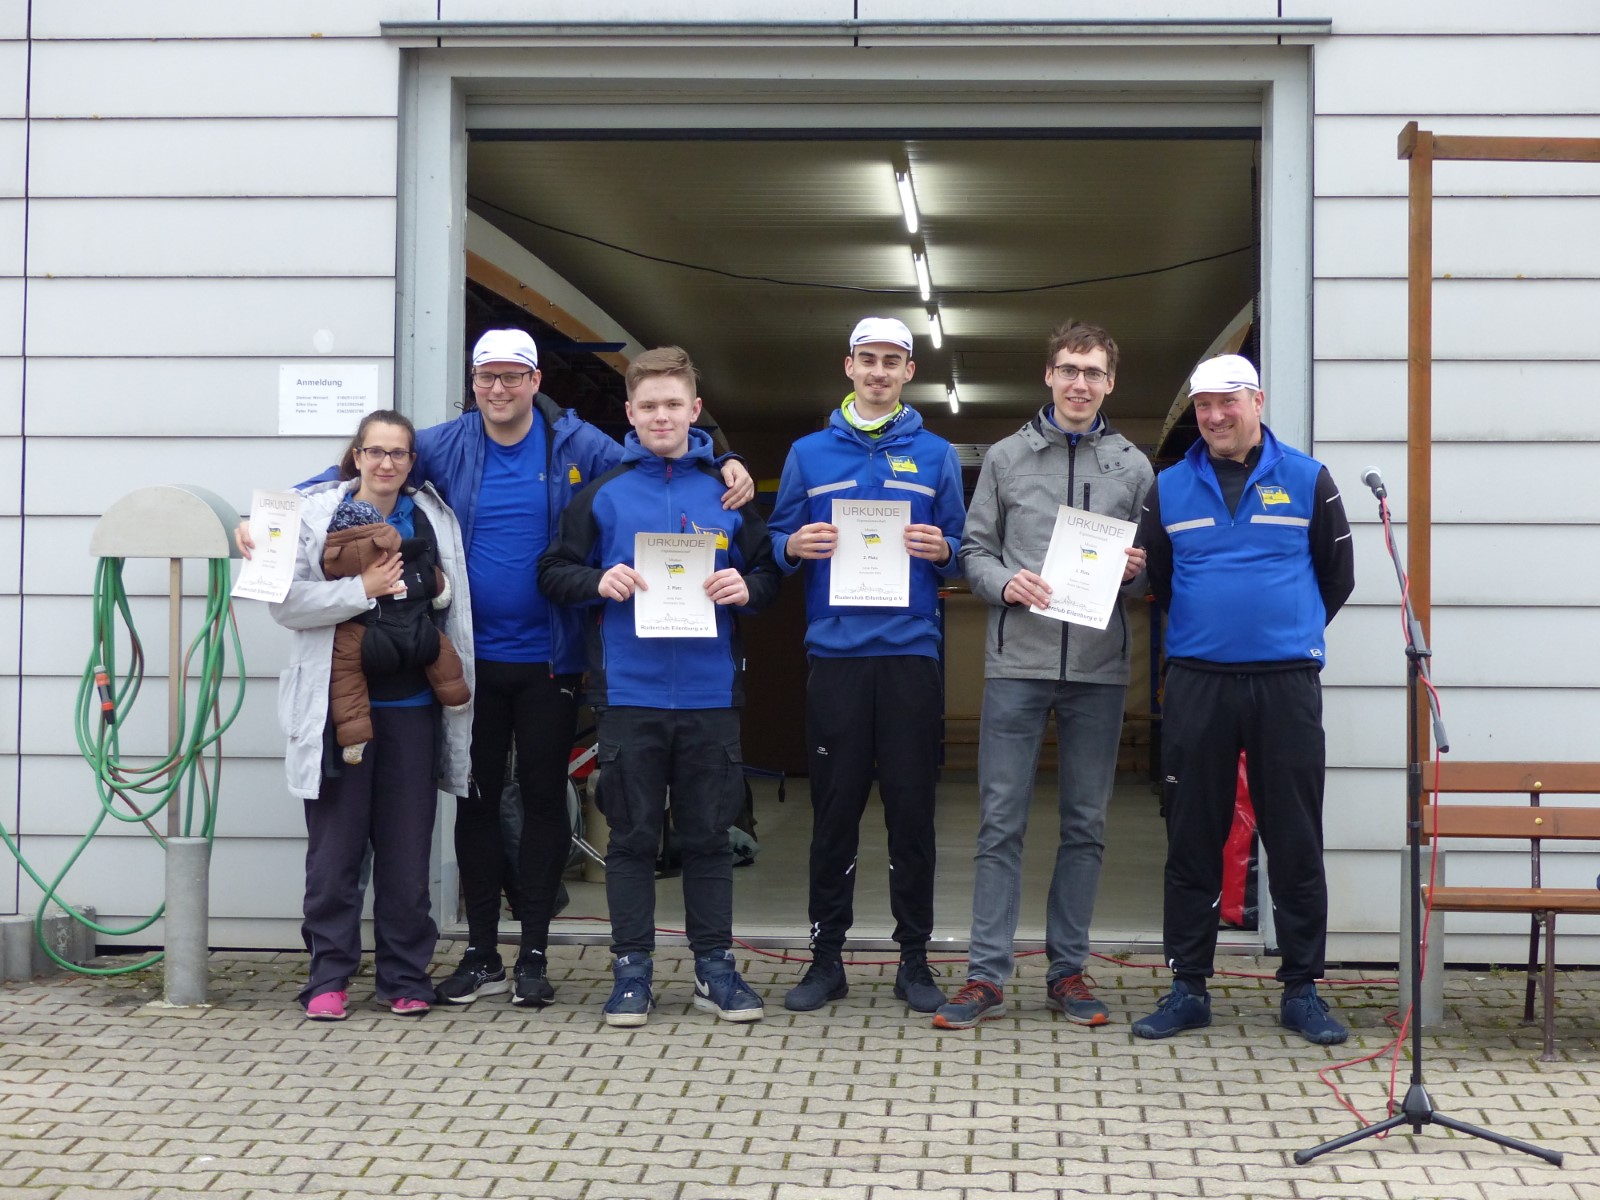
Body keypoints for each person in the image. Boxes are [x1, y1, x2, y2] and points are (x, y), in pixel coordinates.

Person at [245, 329, 753, 1009]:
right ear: (474, 382)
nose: (500, 388)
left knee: (543, 801)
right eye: (488, 376)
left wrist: (726, 458)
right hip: (470, 663)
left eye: (514, 376)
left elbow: (660, 453)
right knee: (477, 804)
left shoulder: (576, 444)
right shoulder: (445, 444)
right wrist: (268, 522)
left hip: (551, 659)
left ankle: (534, 955)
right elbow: (363, 470)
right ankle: (482, 953)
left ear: (536, 381)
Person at [539, 346, 780, 1027]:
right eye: (649, 406)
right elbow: (553, 571)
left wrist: (747, 588)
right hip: (629, 694)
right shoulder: (603, 494)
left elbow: (769, 574)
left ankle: (715, 971)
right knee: (632, 839)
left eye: (674, 404)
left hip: (710, 696)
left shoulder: (728, 493)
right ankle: (632, 972)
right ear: (630, 413)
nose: (662, 416)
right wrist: (598, 580)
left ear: (695, 410)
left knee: (708, 839)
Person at [934, 319, 1153, 1031]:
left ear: (1110, 382)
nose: (1079, 383)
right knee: (1000, 821)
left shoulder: (1134, 468)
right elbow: (973, 550)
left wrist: (1136, 572)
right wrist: (1004, 584)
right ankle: (985, 976)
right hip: (1017, 665)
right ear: (1049, 376)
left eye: (1093, 372)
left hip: (1098, 669)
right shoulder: (1005, 458)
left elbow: (1151, 569)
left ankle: (1068, 972)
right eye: (1068, 369)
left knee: (1086, 824)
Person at [1130, 353, 1354, 1045]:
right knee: (1192, 834)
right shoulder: (1168, 487)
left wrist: (1281, 631)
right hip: (1198, 682)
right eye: (1204, 405)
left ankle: (1302, 989)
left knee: (1294, 835)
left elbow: (1337, 578)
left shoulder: (1309, 479)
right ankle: (1188, 987)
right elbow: (1160, 581)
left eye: (1228, 401)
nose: (1215, 415)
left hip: (1285, 683)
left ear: (1257, 402)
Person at [766, 316, 965, 1014]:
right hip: (837, 655)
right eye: (867, 359)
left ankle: (915, 959)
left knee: (912, 812)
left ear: (910, 371)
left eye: (892, 361)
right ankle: (826, 959)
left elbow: (964, 545)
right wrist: (795, 545)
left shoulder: (937, 455)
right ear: (848, 365)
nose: (879, 371)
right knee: (834, 812)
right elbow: (775, 540)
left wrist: (944, 550)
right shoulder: (807, 453)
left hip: (910, 654)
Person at [269, 410, 474, 1020]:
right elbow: (285, 603)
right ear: (356, 456)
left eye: (398, 453)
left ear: (412, 462)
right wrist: (361, 591)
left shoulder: (431, 517)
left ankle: (404, 976)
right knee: (335, 854)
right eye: (375, 451)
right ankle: (328, 976)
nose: (387, 463)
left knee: (407, 855)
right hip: (337, 712)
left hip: (412, 710)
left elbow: (449, 600)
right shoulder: (315, 515)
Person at [320, 497, 471, 764]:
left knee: (349, 674)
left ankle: (355, 734)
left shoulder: (420, 524)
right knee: (347, 668)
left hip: (413, 688)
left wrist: (438, 589)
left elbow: (430, 578)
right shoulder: (318, 511)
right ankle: (356, 735)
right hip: (370, 637)